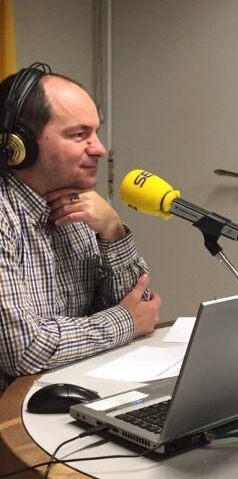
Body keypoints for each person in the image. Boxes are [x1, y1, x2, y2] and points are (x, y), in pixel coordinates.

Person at [0, 63, 162, 396]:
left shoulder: (83, 207)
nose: (100, 148)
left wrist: (113, 229)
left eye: (96, 132)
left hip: (79, 390)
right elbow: (25, 349)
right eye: (79, 135)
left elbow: (140, 305)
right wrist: (124, 323)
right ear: (19, 145)